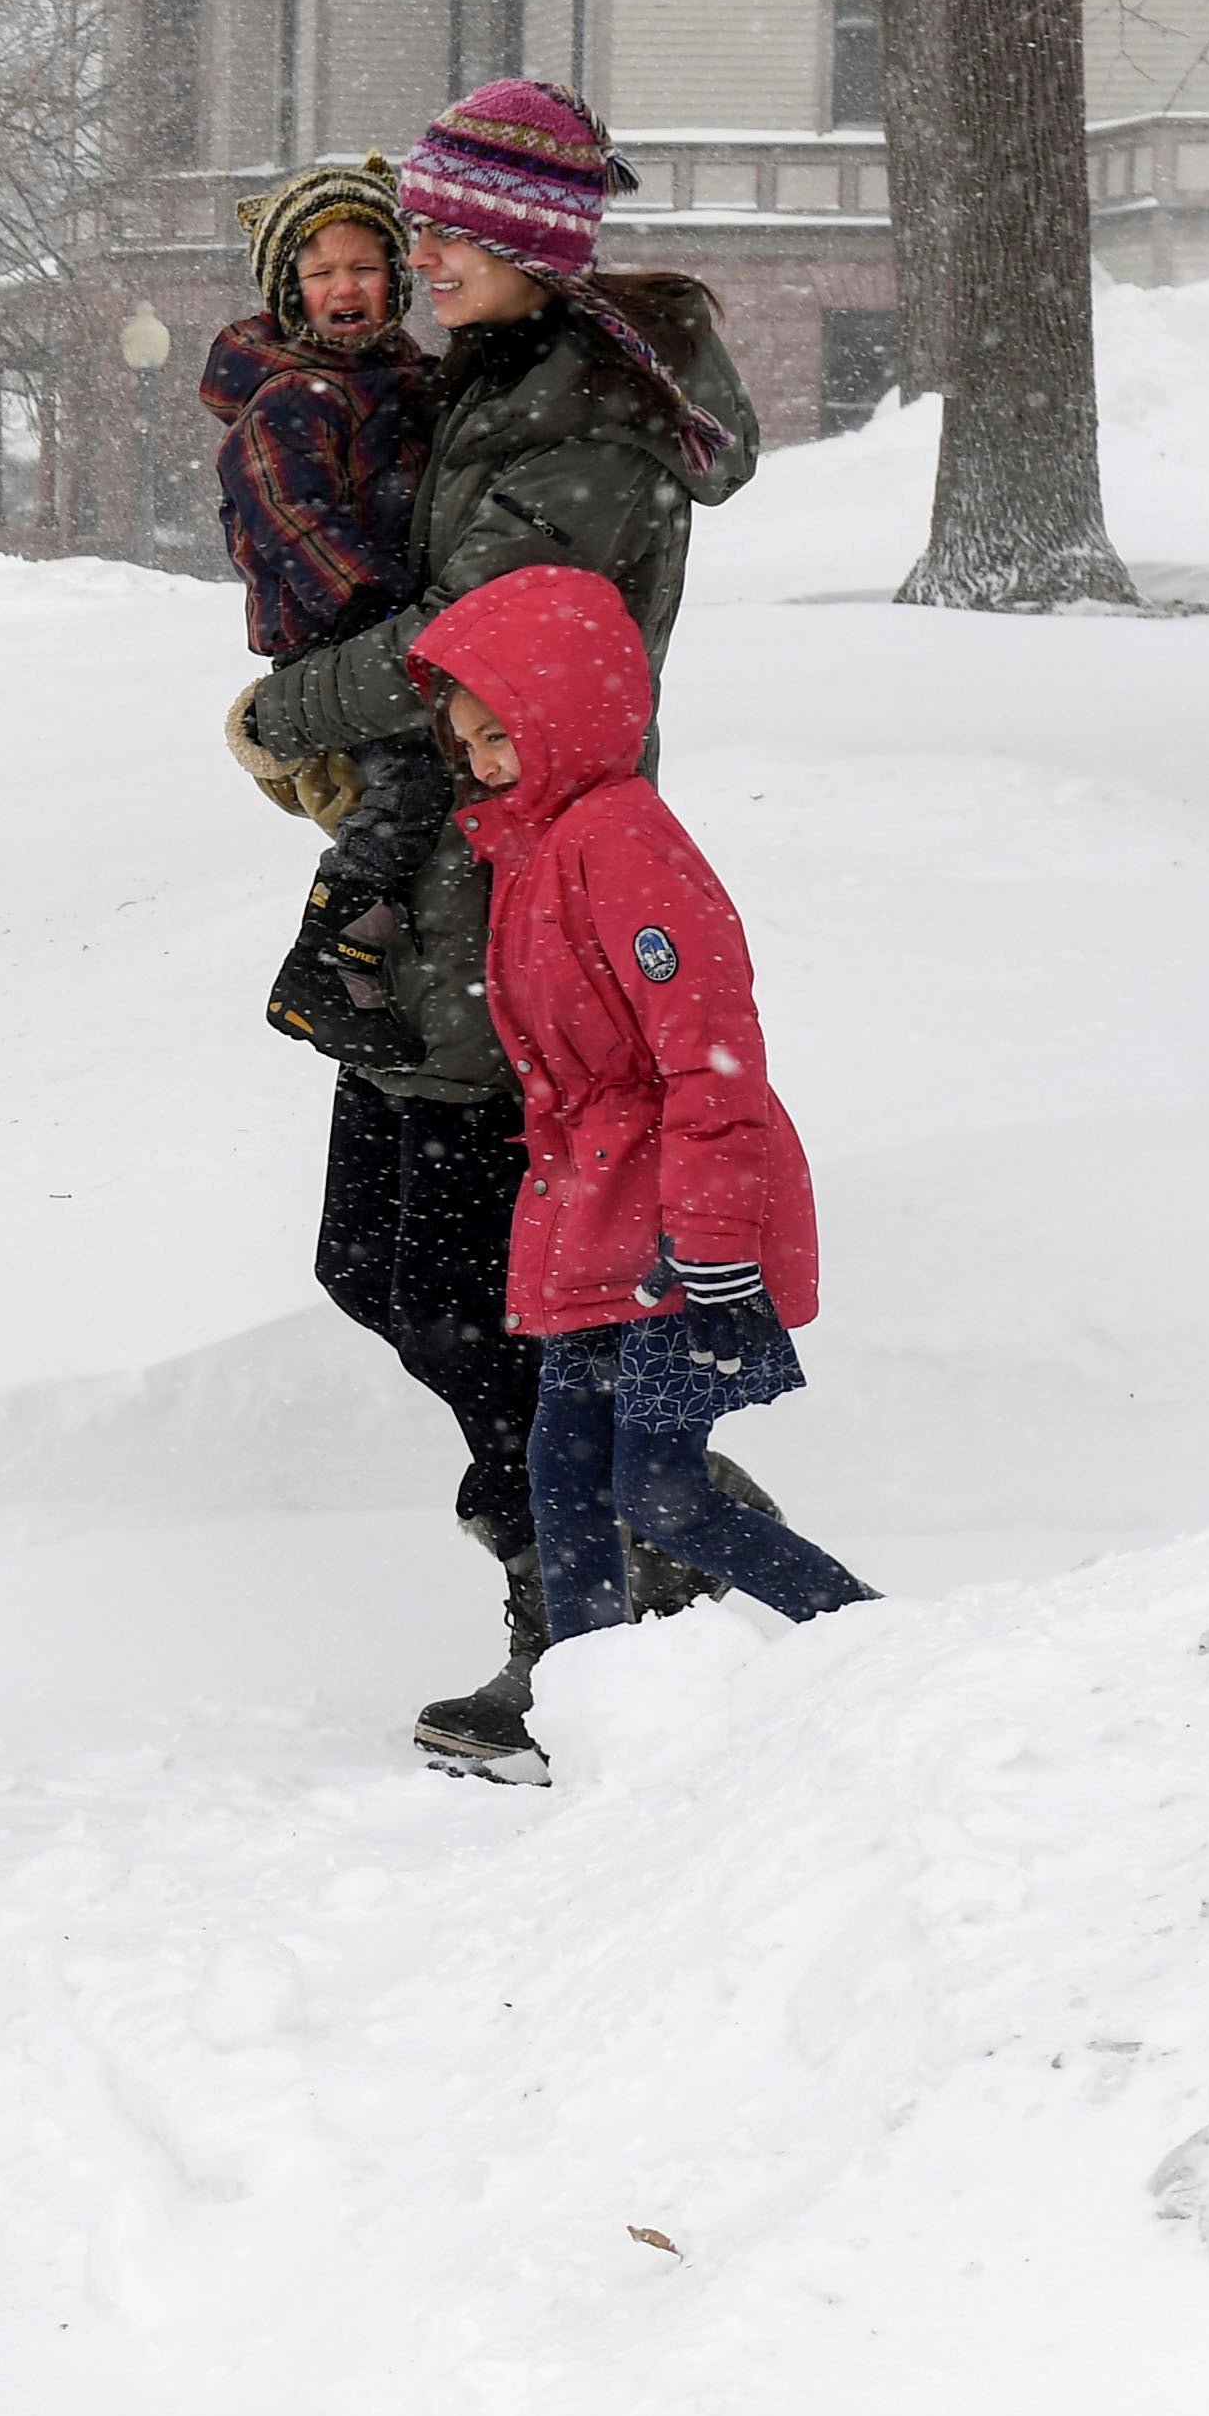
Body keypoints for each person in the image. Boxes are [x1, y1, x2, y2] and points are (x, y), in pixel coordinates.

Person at [230, 80, 764, 1779]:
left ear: (525, 248)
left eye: (450, 232)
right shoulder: (483, 383)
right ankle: (641, 1530)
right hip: (433, 886)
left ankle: (601, 1585)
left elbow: (483, 636)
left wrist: (287, 704)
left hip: (518, 901)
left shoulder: (578, 423)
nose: (415, 253)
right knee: (375, 1260)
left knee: (472, 1280)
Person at [404, 559, 875, 1783]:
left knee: (659, 1491)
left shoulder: (622, 843)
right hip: (592, 1218)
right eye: (470, 741)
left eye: (504, 732)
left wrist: (715, 1235)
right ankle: (599, 1727)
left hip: (677, 1230)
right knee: (563, 1475)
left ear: (568, 713)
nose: (487, 761)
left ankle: (886, 1651)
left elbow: (710, 1055)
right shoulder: (534, 847)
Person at [191, 155, 446, 1069]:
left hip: (389, 626)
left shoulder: (407, 381)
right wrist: (382, 608)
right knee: (409, 787)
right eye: (321, 271)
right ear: (289, 292)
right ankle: (320, 963)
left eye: (365, 266)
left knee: (424, 800)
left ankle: (358, 958)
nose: (346, 287)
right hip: (333, 637)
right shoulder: (291, 400)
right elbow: (295, 521)